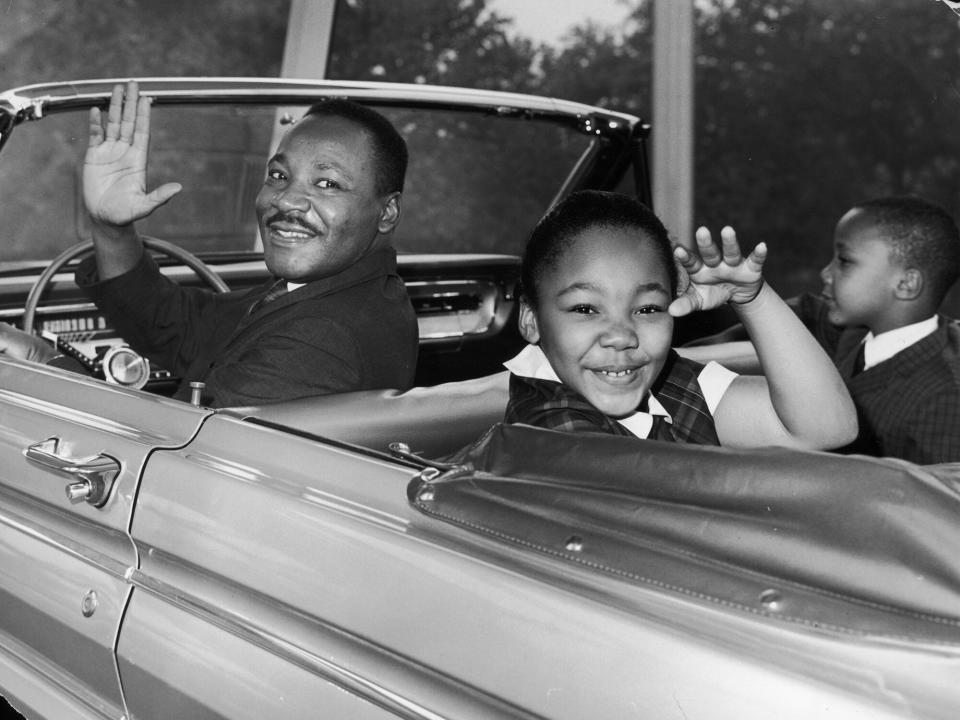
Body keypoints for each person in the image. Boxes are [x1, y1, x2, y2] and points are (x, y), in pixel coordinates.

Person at [0, 81, 419, 406]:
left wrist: (45, 363)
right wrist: (111, 227)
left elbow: (170, 456)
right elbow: (175, 326)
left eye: (327, 183)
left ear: (387, 213)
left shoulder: (323, 338)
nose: (287, 199)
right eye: (278, 175)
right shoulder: (327, 293)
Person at [503, 190, 858, 449]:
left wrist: (752, 299)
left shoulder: (667, 381)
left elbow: (828, 427)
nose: (621, 336)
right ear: (531, 319)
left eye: (647, 309)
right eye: (585, 309)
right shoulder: (549, 432)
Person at [686, 195, 960, 464]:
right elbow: (796, 320)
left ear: (906, 284)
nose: (825, 273)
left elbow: (939, 500)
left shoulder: (944, 398)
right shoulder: (849, 333)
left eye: (844, 261)